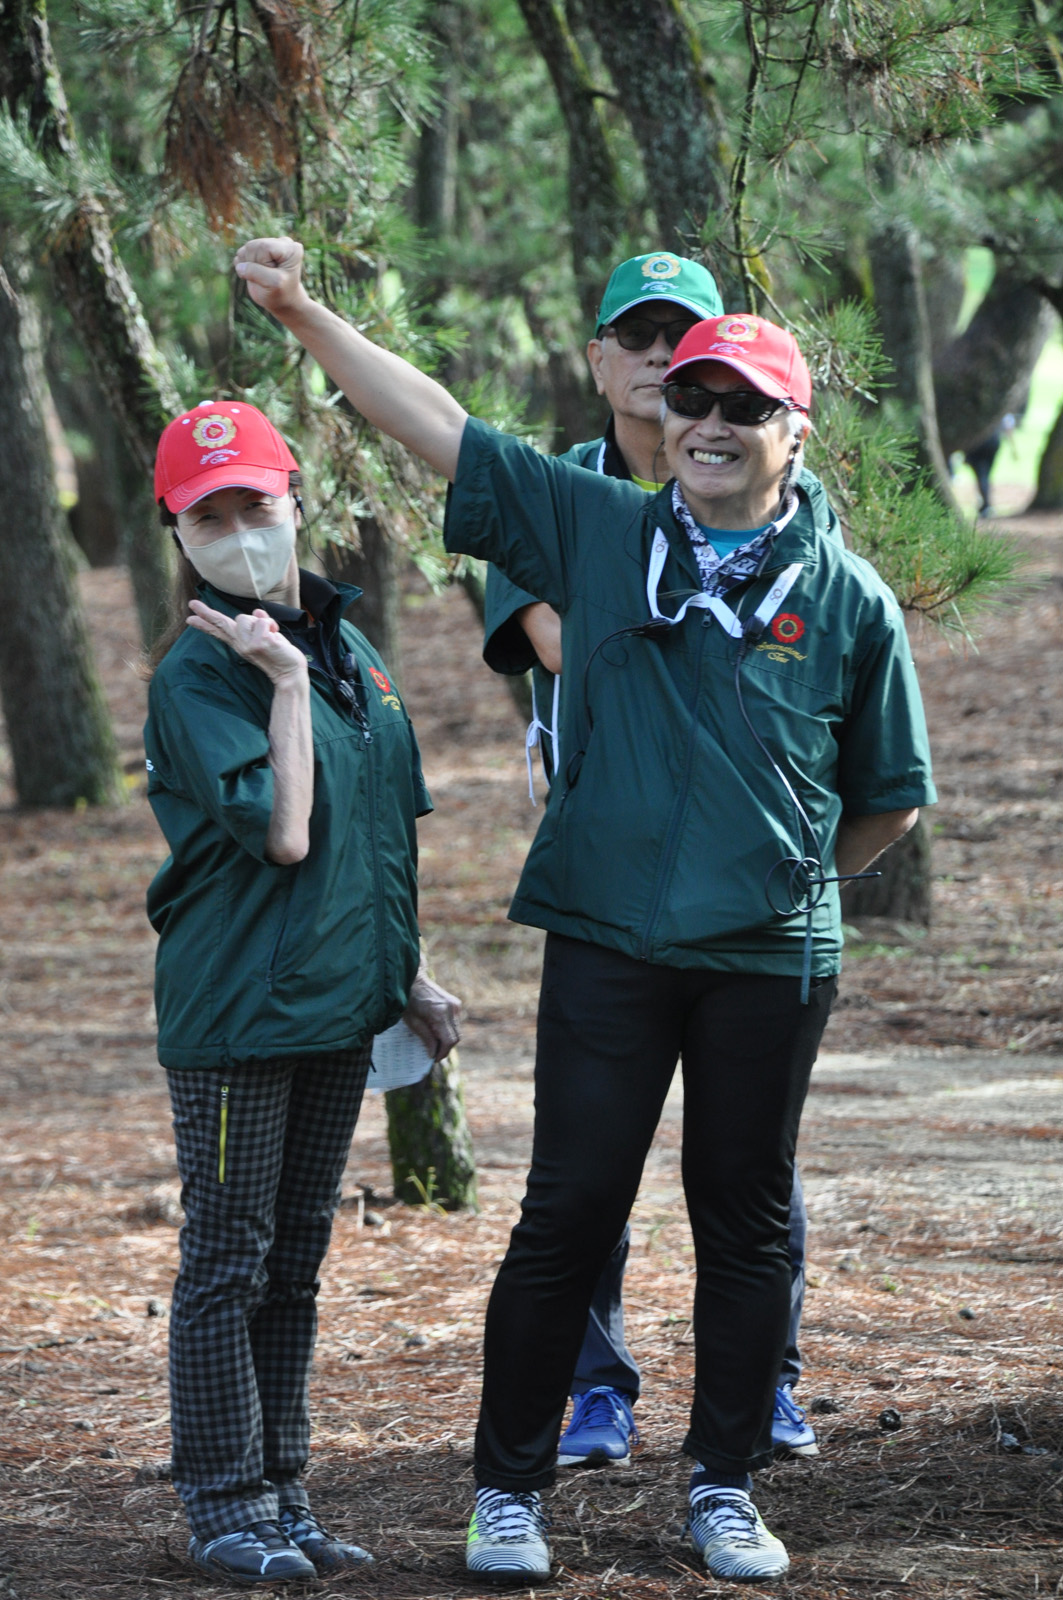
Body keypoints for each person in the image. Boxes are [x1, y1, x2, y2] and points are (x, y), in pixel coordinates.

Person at [232, 236, 937, 1584]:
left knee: (744, 1219)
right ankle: (507, 1493)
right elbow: (442, 427)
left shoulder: (848, 599)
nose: (708, 422)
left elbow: (886, 798)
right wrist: (305, 311)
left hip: (767, 957)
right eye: (692, 398)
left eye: (743, 405)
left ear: (794, 430)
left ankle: (722, 1487)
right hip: (609, 938)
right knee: (566, 1210)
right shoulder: (600, 528)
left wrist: (787, 872)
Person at [484, 251, 819, 1470]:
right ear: (599, 359)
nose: (665, 364)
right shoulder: (561, 499)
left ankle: (764, 1381)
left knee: (750, 1164)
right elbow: (571, 646)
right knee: (586, 1170)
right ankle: (592, 1386)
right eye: (639, 340)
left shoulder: (786, 512)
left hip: (743, 891)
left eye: (687, 341)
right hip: (612, 870)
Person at [144, 399, 461, 1586]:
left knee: (294, 1264)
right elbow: (285, 835)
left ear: (294, 501)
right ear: (179, 534)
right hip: (238, 1017)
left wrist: (406, 974)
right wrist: (278, 682)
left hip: (336, 1005)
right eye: (208, 517)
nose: (239, 532)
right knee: (228, 1261)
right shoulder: (200, 674)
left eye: (255, 505)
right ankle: (224, 1505)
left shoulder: (348, 648)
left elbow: (376, 835)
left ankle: (284, 1491)